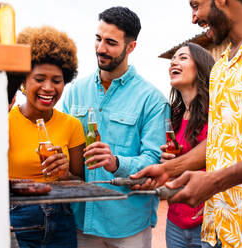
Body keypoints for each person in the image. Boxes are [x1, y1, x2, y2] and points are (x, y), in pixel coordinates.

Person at [132, 0, 242, 247]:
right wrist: (170, 169)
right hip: (220, 230)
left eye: (196, 6)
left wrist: (215, 181)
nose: (193, 18)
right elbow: (218, 141)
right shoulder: (220, 69)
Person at [62, 6, 170, 248]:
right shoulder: (74, 92)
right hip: (80, 222)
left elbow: (155, 160)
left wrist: (116, 163)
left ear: (131, 47)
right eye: (98, 39)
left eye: (110, 42)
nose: (101, 48)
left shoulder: (152, 100)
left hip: (128, 227)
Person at [8, 26, 85, 247]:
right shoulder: (5, 121)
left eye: (57, 80)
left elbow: (80, 185)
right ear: (24, 81)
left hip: (61, 223)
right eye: (40, 78)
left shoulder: (72, 125)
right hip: (16, 221)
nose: (48, 88)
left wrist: (65, 174)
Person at [164, 42, 214, 248]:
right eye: (173, 58)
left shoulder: (217, 112)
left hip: (207, 222)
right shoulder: (172, 116)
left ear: (201, 67)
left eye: (183, 57)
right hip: (175, 220)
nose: (174, 61)